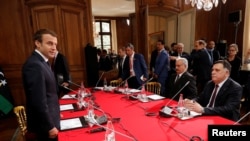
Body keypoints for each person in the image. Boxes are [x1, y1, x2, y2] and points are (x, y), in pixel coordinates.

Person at [22, 29, 60, 141]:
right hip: (44, 128)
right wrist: (50, 126)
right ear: (38, 43)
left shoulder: (43, 62)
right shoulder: (34, 65)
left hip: (50, 119)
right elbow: (38, 102)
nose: (54, 48)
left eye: (55, 44)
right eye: (49, 43)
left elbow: (50, 94)